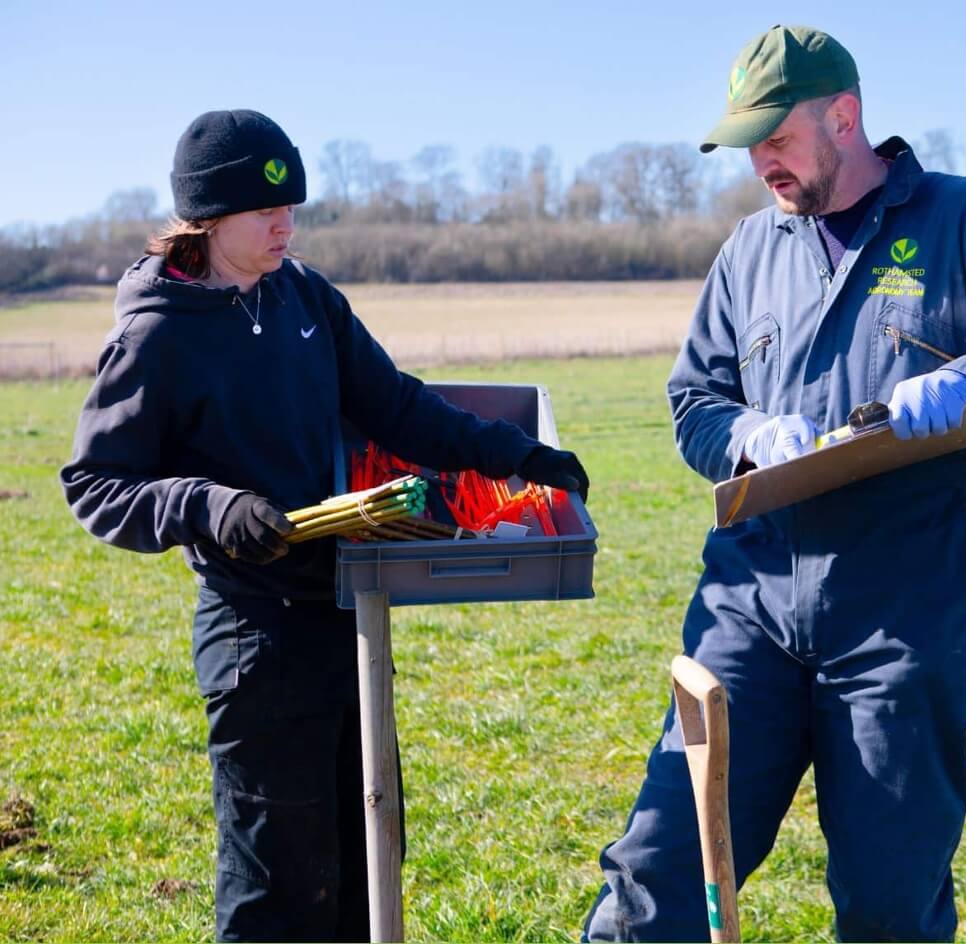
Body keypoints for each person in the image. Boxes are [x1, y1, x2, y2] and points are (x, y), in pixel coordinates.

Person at [583, 25, 966, 943]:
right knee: (660, 868)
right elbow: (694, 402)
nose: (761, 160)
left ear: (844, 117)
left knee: (890, 902)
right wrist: (751, 431)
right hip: (746, 606)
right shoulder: (750, 251)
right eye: (747, 142)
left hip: (905, 614)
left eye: (777, 136)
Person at [60, 109, 589, 942]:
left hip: (349, 615)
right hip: (254, 637)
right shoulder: (155, 334)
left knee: (366, 852)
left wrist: (512, 452)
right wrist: (211, 506)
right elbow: (96, 484)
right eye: (262, 211)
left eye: (292, 208)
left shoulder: (305, 295)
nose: (285, 225)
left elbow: (395, 405)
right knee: (278, 883)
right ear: (205, 216)